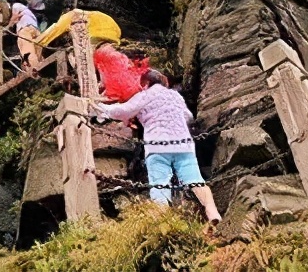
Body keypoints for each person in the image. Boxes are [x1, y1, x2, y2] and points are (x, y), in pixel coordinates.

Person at [94, 70, 221, 225]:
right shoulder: (175, 96)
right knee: (195, 181)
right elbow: (188, 117)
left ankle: (162, 223)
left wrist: (98, 108)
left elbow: (122, 111)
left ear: (146, 83)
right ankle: (213, 213)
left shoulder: (145, 96)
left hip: (158, 146)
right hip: (183, 145)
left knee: (160, 185)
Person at [6, 1, 42, 70]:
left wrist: (8, 26)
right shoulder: (27, 12)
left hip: (25, 29)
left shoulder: (15, 6)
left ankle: (33, 69)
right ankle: (42, 66)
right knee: (37, 50)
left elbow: (14, 17)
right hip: (35, 29)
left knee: (27, 49)